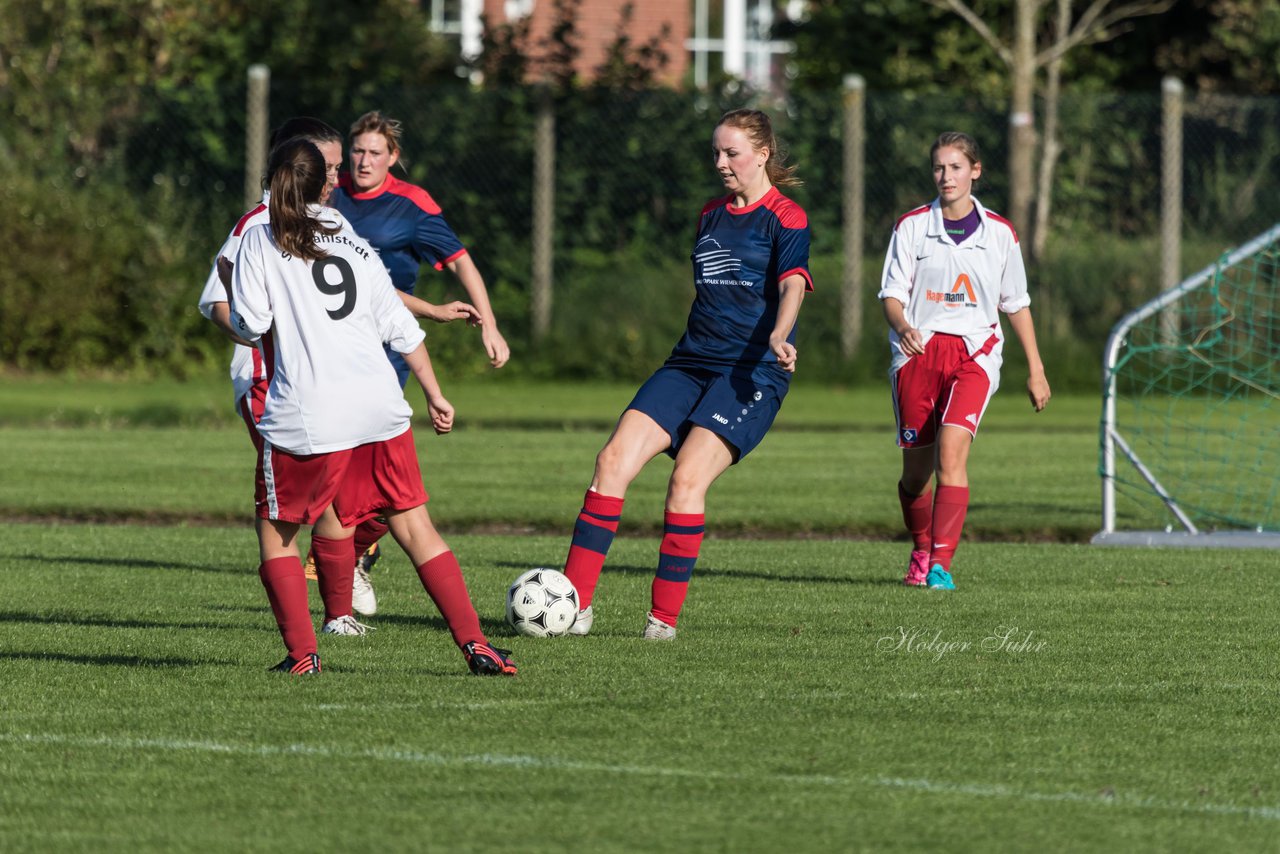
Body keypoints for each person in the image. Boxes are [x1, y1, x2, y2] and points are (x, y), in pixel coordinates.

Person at [227, 137, 517, 676]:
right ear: (326, 183)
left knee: (278, 531)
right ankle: (477, 645)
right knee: (415, 526)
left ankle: (301, 656)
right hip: (380, 404)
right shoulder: (345, 232)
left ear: (272, 179)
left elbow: (251, 324)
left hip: (309, 411)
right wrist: (433, 393)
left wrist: (225, 302)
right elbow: (398, 325)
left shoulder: (260, 239)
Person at [198, 117, 480, 618]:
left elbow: (369, 286)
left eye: (335, 167)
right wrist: (266, 336)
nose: (336, 177)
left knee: (348, 502)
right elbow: (220, 304)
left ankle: (333, 614)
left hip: (329, 383)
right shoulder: (255, 227)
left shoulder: (331, 224)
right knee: (325, 505)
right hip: (273, 381)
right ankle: (335, 612)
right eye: (327, 168)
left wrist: (431, 310)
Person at [556, 108, 812, 641]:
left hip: (752, 371)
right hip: (690, 361)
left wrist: (780, 334)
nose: (721, 162)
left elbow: (792, 284)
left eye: (732, 152)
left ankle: (662, 622)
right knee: (611, 462)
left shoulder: (786, 217)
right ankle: (572, 607)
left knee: (686, 479)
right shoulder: (709, 214)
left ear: (762, 154)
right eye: (716, 152)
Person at [326, 109, 510, 607]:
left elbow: (460, 261)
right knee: (338, 461)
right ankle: (345, 555)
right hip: (328, 342)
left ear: (394, 158)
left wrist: (488, 324)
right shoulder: (329, 193)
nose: (363, 161)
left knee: (371, 461)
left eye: (374, 153)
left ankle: (353, 557)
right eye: (357, 151)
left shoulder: (411, 205)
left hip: (386, 346)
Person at [877, 131, 1051, 591]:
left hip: (975, 352)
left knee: (952, 454)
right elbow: (892, 296)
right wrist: (903, 328)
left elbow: (1016, 303)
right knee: (915, 475)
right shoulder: (912, 226)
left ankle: (940, 566)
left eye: (956, 167)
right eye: (939, 167)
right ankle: (920, 546)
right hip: (918, 353)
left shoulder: (1000, 234)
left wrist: (1036, 368)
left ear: (975, 171)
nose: (946, 176)